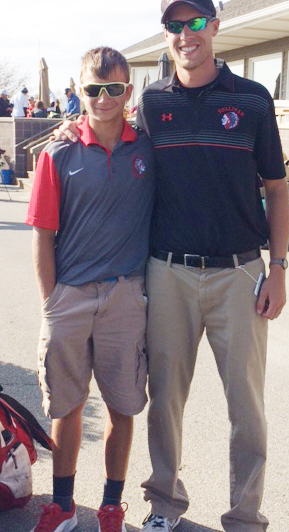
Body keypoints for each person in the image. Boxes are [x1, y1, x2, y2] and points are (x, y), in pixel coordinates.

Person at [52, 0, 289, 532]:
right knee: (165, 402)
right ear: (167, 34)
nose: (187, 35)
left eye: (196, 23)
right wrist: (71, 126)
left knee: (247, 410)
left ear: (214, 26)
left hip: (240, 272)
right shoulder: (152, 102)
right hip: (167, 272)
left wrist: (277, 269)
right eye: (176, 26)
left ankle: (245, 516)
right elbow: (103, 123)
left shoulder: (253, 100)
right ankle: (163, 506)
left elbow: (277, 189)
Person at [26, 46, 155, 532]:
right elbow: (41, 232)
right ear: (79, 91)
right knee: (68, 405)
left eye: (115, 89)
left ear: (129, 92)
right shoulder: (58, 152)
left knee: (123, 405)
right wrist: (51, 301)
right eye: (94, 90)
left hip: (126, 295)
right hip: (71, 296)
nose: (104, 99)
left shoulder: (146, 148)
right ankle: (62, 505)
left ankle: (110, 504)